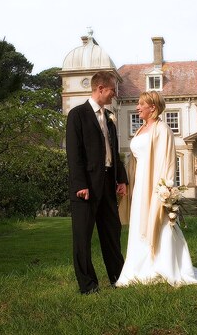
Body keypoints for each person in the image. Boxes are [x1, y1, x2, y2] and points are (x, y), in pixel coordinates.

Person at [116, 91, 197, 287]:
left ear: (153, 108)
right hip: (140, 186)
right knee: (140, 223)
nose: (137, 108)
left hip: (155, 187)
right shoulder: (140, 130)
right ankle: (138, 269)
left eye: (141, 104)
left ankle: (163, 267)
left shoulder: (162, 129)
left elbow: (167, 161)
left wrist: (165, 190)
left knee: (160, 224)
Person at [66, 71, 128, 295]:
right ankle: (88, 285)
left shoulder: (109, 118)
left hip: (108, 185)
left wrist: (121, 178)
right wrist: (80, 184)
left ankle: (118, 278)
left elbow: (115, 152)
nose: (114, 94)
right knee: (82, 237)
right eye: (112, 90)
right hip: (86, 188)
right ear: (100, 88)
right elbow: (74, 154)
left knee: (112, 233)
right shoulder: (77, 115)